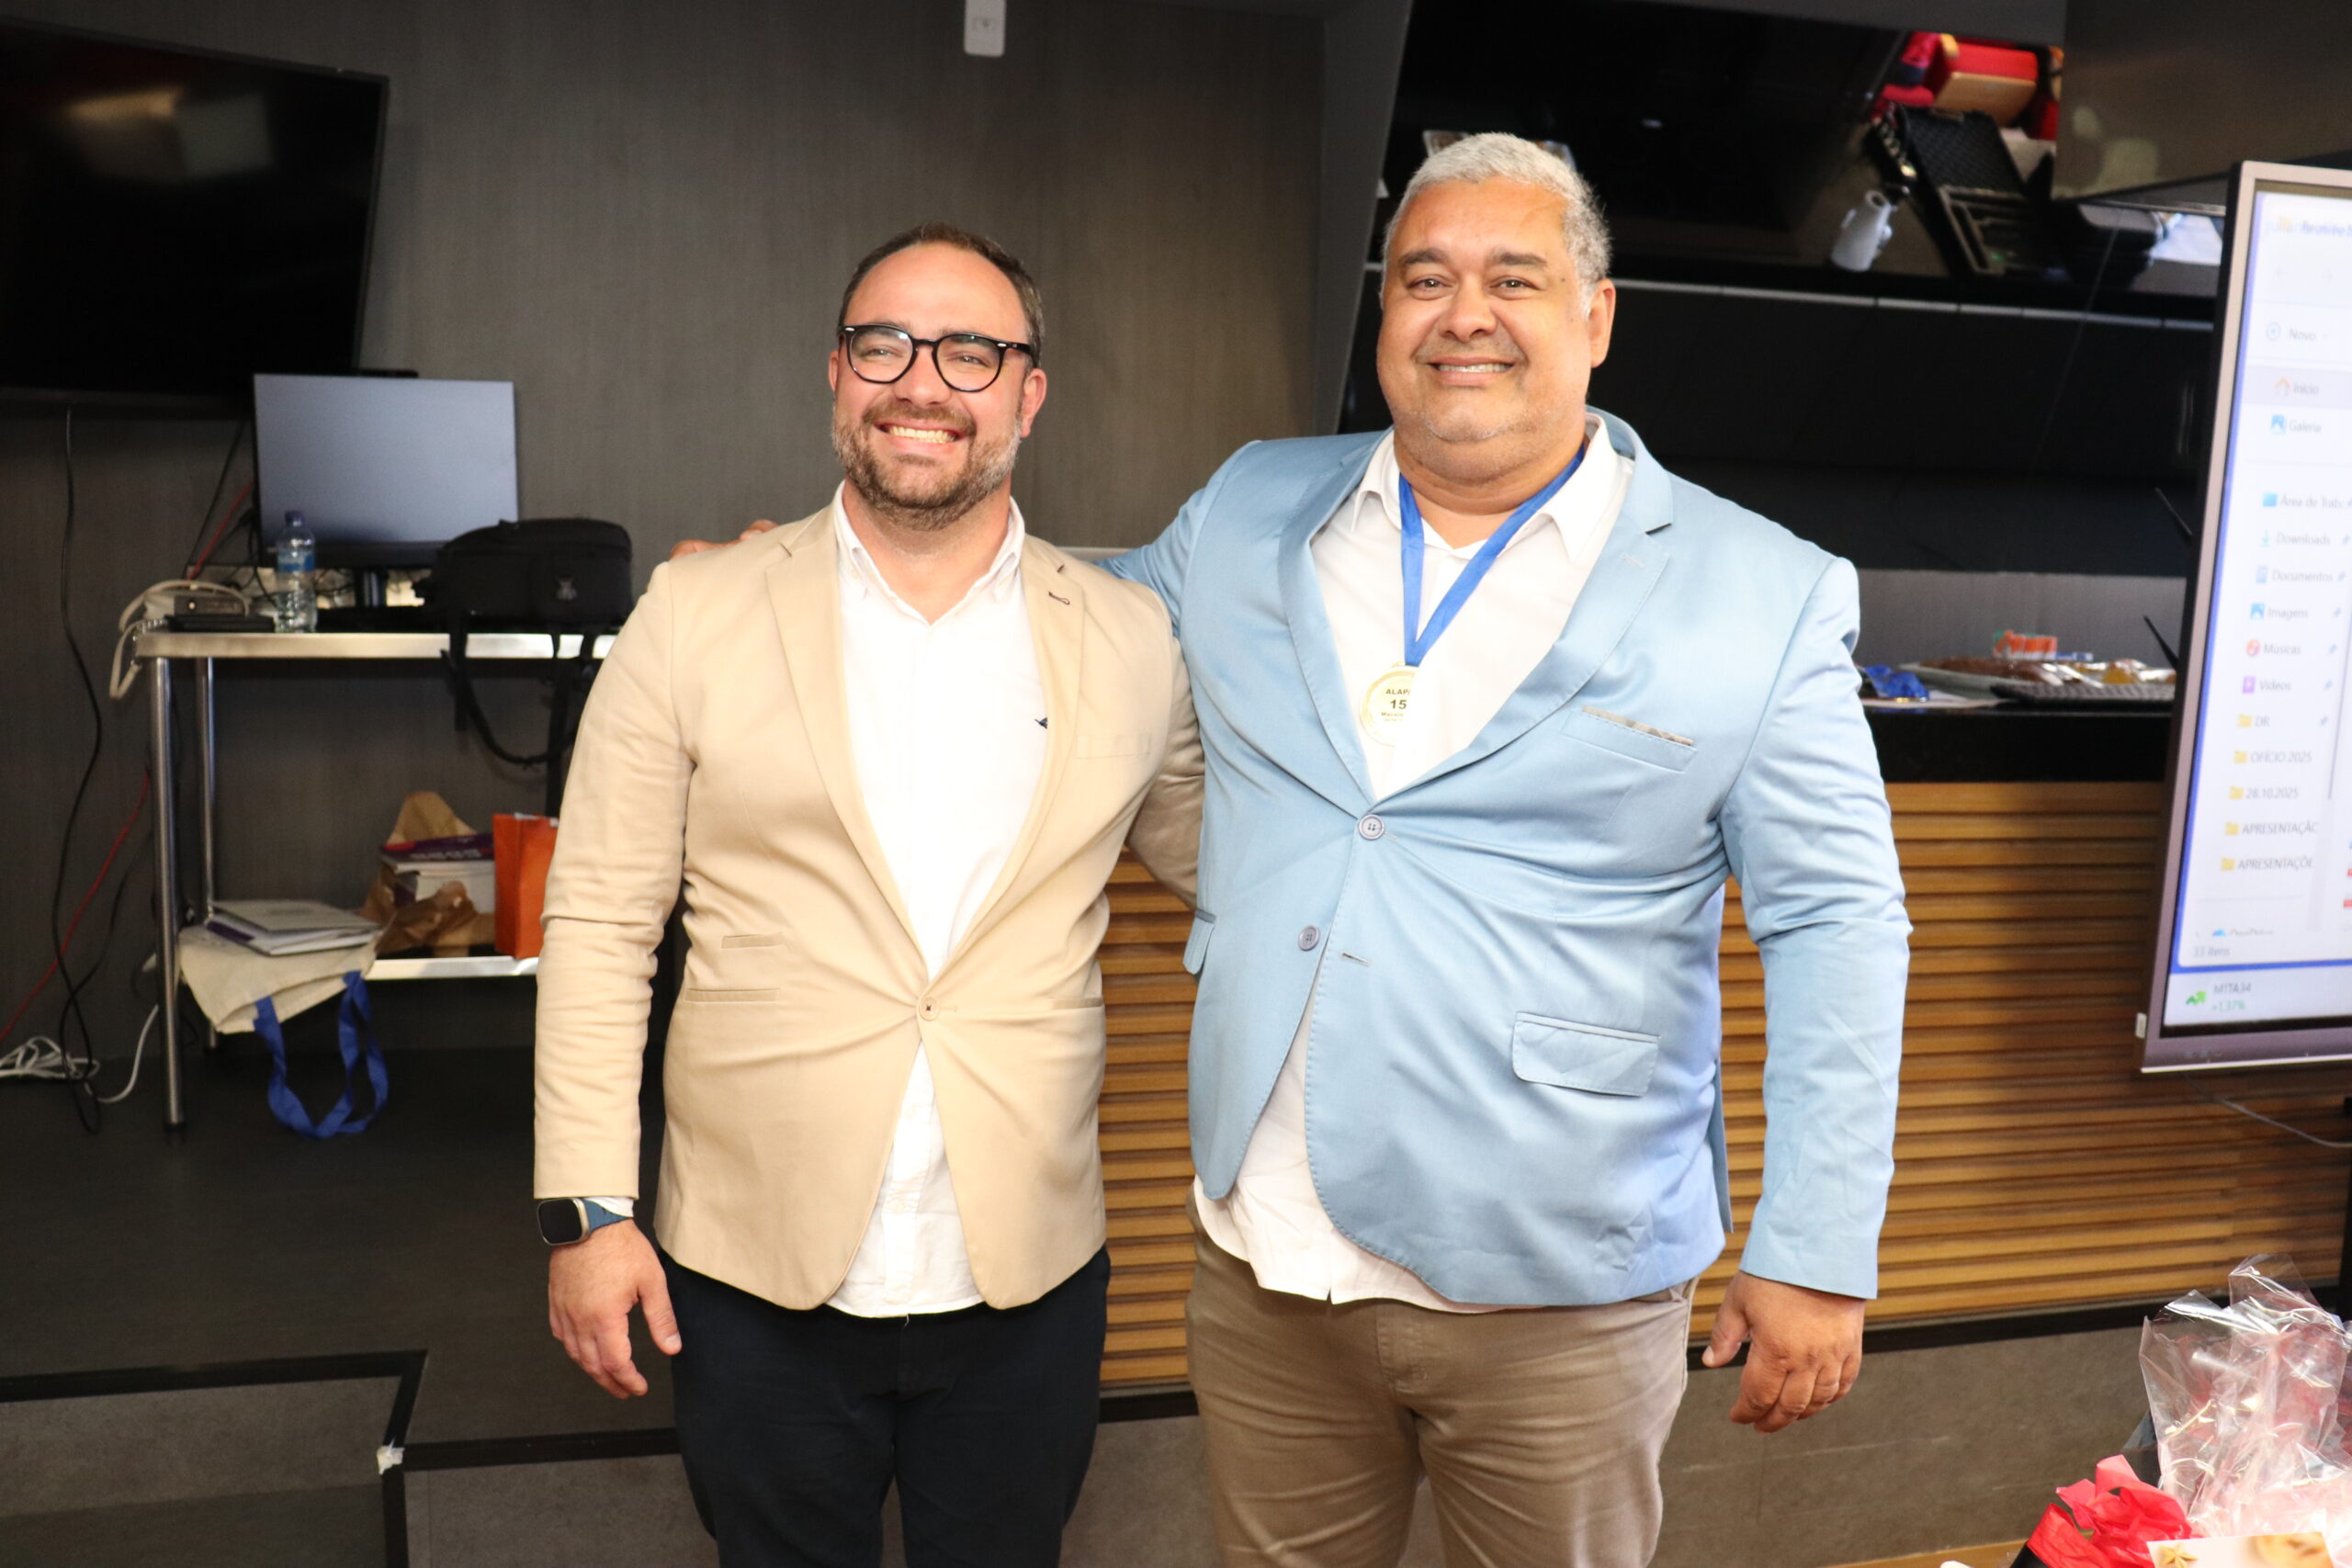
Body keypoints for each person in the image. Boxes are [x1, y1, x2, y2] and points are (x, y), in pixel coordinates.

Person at [1096, 133, 1909, 1567]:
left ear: (1596, 318)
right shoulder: (1248, 508)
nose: (1463, 313)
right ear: (1385, 318)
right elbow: (1066, 616)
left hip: (1560, 1289)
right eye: (1425, 279)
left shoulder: (1765, 591)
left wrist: (1818, 1247)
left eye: (1513, 278)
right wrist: (817, 565)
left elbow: (1836, 925)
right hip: (1266, 1257)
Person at [535, 221, 1202, 1568]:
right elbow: (599, 923)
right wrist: (590, 1216)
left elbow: (1240, 868)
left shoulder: (1133, 638)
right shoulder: (693, 611)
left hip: (1027, 1272)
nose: (922, 384)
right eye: (884, 345)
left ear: (1029, 394)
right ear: (836, 373)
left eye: (972, 353)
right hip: (752, 1272)